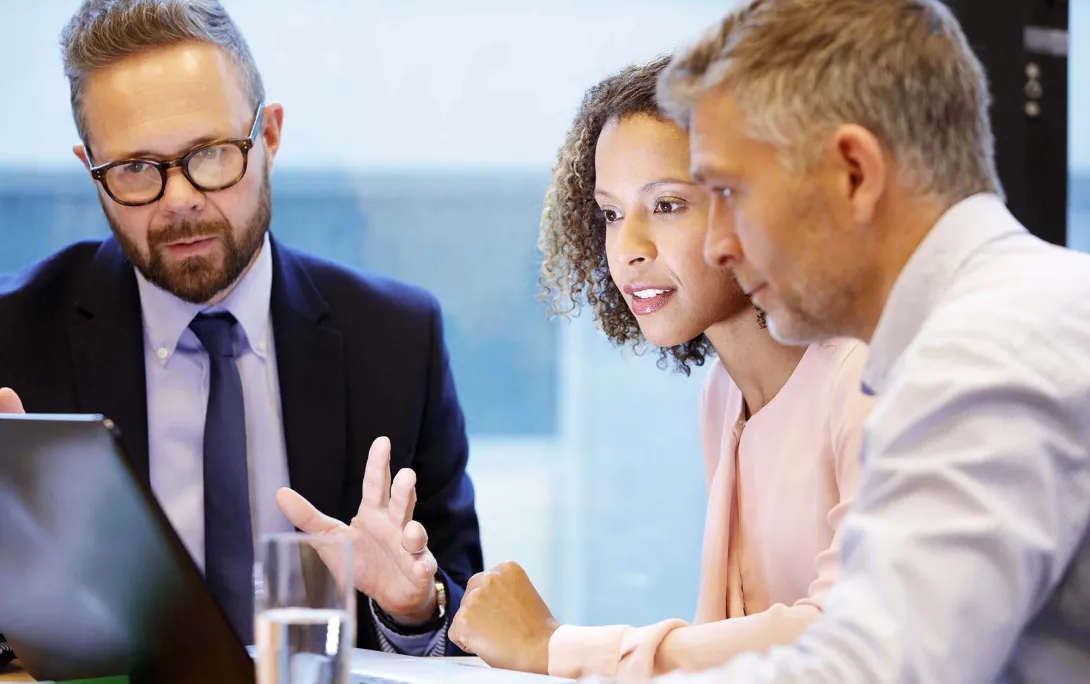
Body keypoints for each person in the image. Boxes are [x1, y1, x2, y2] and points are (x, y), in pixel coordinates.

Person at [626, 0, 1090, 682]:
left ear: (853, 172)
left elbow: (871, 671)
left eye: (731, 192)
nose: (719, 245)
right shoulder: (1018, 310)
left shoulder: (983, 352)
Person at [0, 0, 482, 656]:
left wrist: (413, 607)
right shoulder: (14, 339)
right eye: (136, 169)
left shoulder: (396, 340)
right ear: (91, 168)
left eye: (210, 153)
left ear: (270, 137)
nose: (179, 199)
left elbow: (466, 627)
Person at [447, 57, 873, 680]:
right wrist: (422, 602)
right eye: (612, 214)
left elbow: (848, 633)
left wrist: (557, 647)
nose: (628, 249)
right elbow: (731, 651)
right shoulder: (723, 395)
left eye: (668, 205)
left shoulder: (864, 376)